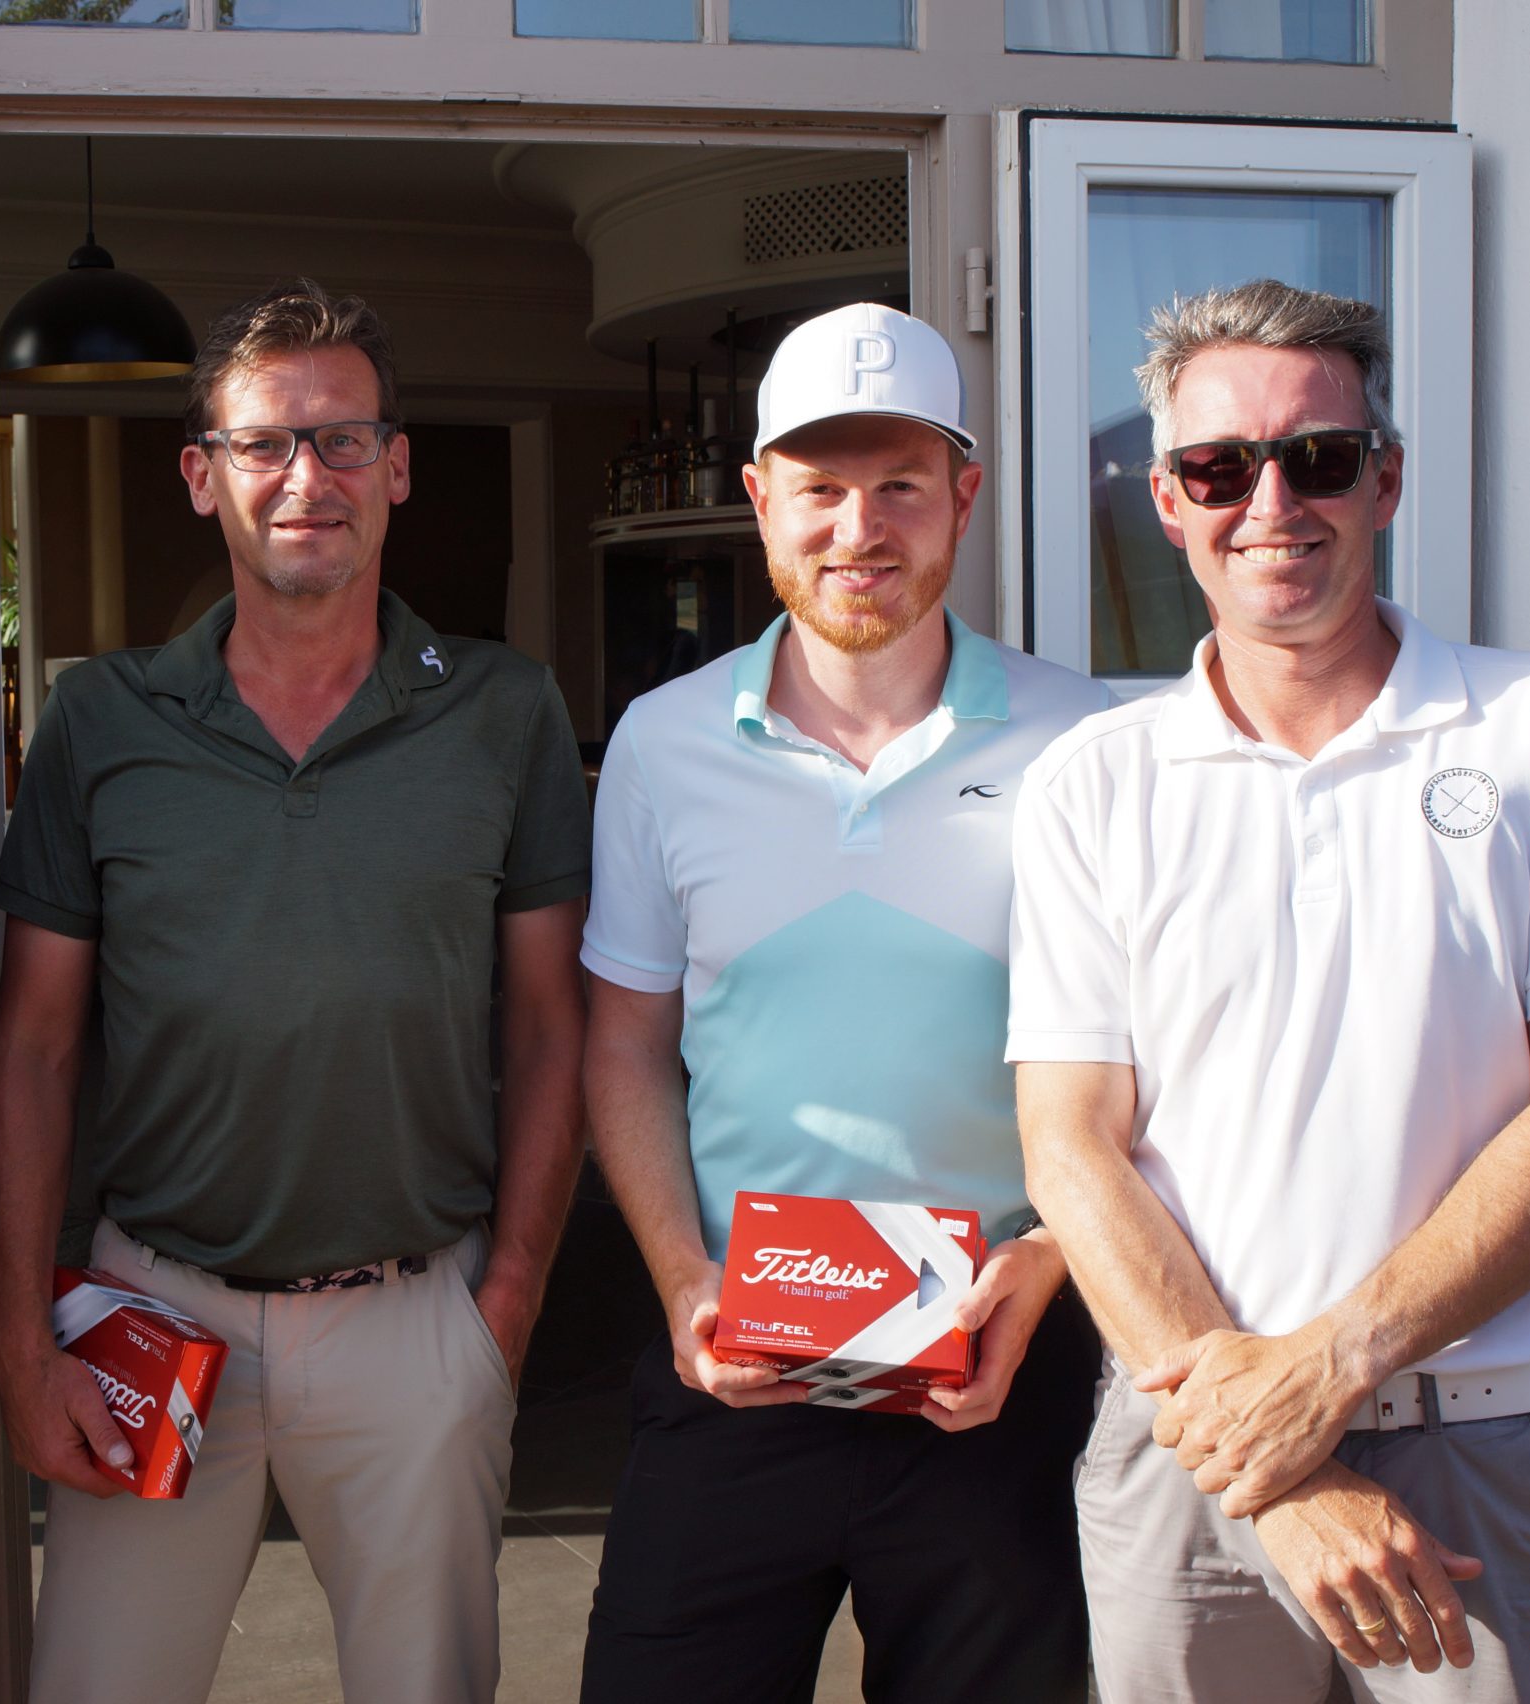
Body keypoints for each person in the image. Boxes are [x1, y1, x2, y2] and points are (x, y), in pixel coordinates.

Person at [1008, 278, 1530, 1702]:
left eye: (1316, 457)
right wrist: (1281, 1461)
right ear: (1168, 501)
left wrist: (1327, 1370)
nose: (1272, 503)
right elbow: (1069, 1145)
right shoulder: (1092, 781)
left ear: (1385, 480)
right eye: (1218, 466)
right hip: (1190, 1454)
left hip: (1477, 1441)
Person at [0, 277, 590, 1704]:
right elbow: (35, 1048)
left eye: (343, 438)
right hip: (149, 1307)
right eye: (263, 443)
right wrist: (20, 1338)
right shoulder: (103, 719)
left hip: (414, 1316)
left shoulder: (503, 711)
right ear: (203, 476)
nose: (306, 475)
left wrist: (503, 1306)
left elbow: (552, 1026)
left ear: (397, 468)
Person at [578, 302, 1113, 1703]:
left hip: (1000, 1375)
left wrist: (1057, 1256)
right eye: (819, 488)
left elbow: (1166, 1063)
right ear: (762, 500)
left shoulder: (1094, 743)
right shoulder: (662, 743)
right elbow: (624, 1046)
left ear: (965, 499)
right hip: (738, 1364)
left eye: (901, 487)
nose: (858, 529)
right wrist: (681, 1280)